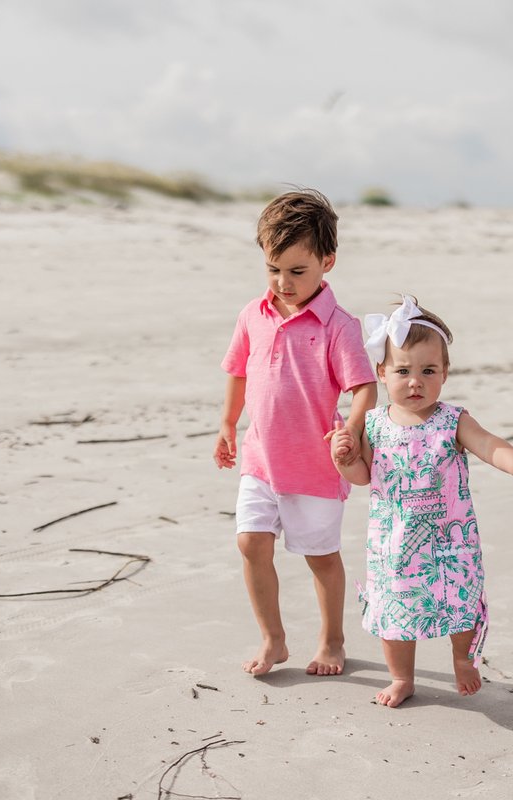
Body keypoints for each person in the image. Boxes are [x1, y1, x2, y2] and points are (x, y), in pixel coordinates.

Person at [331, 295, 513, 708]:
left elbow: (489, 445)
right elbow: (362, 476)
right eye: (403, 371)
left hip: (451, 543)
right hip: (395, 546)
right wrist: (344, 458)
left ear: (445, 373)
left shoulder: (452, 420)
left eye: (428, 371)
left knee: (461, 604)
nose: (415, 382)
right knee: (395, 615)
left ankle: (463, 659)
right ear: (382, 372)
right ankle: (402, 677)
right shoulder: (373, 425)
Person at [214, 189, 377, 677]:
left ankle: (332, 640)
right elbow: (238, 371)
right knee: (250, 543)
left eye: (297, 271)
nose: (283, 282)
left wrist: (351, 430)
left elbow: (364, 388)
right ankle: (274, 639)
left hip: (315, 467)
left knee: (321, 558)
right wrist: (227, 424)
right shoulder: (253, 315)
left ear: (327, 262)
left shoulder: (338, 326)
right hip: (261, 459)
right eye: (273, 269)